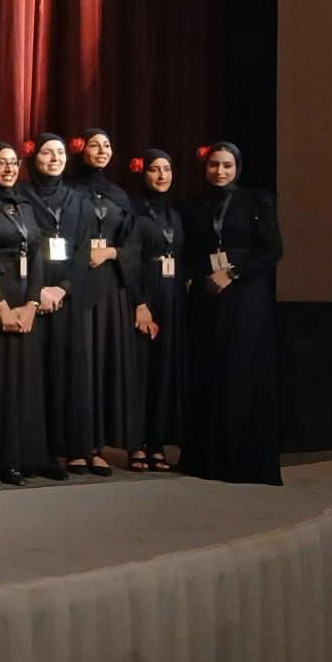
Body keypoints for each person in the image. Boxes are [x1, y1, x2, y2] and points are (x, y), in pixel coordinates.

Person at [180, 141, 283, 485]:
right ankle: (206, 460)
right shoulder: (195, 205)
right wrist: (199, 277)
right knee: (208, 369)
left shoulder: (256, 200)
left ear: (237, 167)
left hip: (246, 296)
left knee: (240, 370)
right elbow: (189, 251)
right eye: (214, 165)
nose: (220, 171)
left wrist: (233, 273)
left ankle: (242, 461)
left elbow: (272, 251)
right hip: (207, 296)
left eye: (227, 165)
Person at [66, 128, 143, 475]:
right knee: (80, 364)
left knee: (102, 366)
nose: (101, 150)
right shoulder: (69, 191)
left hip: (111, 288)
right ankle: (75, 446)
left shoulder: (119, 195)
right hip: (79, 283)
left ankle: (97, 447)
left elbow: (134, 244)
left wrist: (112, 252)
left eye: (107, 145)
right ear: (80, 149)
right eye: (94, 145)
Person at [23, 133, 93, 479]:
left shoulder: (77, 199)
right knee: (36, 373)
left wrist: (62, 288)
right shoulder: (21, 195)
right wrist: (38, 291)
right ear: (33, 157)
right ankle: (39, 451)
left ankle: (72, 447)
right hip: (31, 291)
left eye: (60, 153)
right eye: (47, 153)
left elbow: (84, 250)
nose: (54, 159)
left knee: (69, 370)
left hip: (67, 294)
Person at [0, 142, 49, 483]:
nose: (8, 169)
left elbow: (38, 254)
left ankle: (18, 458)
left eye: (13, 163)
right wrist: (3, 304)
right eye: (0, 163)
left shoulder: (24, 205)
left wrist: (32, 304)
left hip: (25, 298)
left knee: (22, 382)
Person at [127, 149, 185, 471]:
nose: (162, 175)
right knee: (141, 372)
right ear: (143, 173)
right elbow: (130, 260)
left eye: (167, 169)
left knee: (164, 372)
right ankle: (136, 444)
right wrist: (140, 304)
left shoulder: (175, 213)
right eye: (154, 169)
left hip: (172, 294)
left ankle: (157, 443)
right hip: (146, 292)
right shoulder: (134, 211)